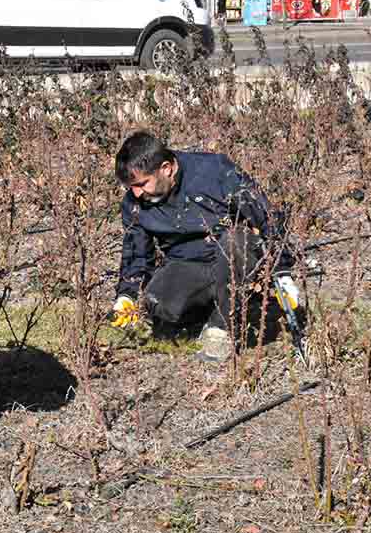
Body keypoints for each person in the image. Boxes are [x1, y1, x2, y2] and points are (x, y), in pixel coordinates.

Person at [110, 131, 300, 362]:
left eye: (142, 183)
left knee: (235, 242)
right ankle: (207, 311)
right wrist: (127, 295)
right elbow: (136, 252)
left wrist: (282, 273)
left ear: (167, 168)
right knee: (158, 302)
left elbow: (265, 216)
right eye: (131, 186)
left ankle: (222, 328)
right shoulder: (135, 202)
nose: (136, 193)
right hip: (187, 265)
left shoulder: (215, 172)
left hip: (233, 254)